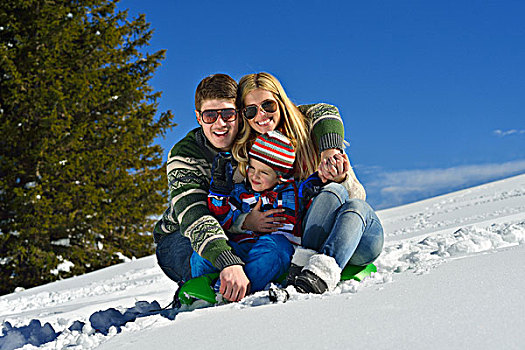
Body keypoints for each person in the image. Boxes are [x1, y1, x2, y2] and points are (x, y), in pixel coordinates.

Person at [153, 73, 348, 301]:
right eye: (210, 115)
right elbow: (195, 217)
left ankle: (243, 288)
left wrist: (331, 150)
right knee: (203, 260)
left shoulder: (253, 137)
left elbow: (322, 111)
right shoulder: (186, 154)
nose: (220, 124)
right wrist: (230, 256)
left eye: (227, 114)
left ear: (239, 113)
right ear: (198, 117)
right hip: (182, 236)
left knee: (274, 253)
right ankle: (203, 296)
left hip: (241, 233)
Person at [232, 72, 384, 294]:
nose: (261, 115)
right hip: (308, 241)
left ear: (281, 102)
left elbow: (326, 111)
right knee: (330, 193)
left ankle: (320, 270)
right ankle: (313, 274)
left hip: (355, 238)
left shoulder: (309, 136)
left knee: (345, 198)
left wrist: (336, 167)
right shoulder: (250, 155)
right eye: (251, 110)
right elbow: (232, 203)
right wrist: (246, 222)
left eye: (268, 105)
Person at [191, 131, 308, 293]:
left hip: (268, 252)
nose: (255, 176)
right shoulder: (241, 191)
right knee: (204, 252)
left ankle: (235, 289)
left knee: (278, 248)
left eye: (264, 172)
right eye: (252, 168)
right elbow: (223, 218)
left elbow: (287, 227)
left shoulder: (288, 194)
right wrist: (219, 193)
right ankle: (202, 291)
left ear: (280, 177)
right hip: (240, 251)